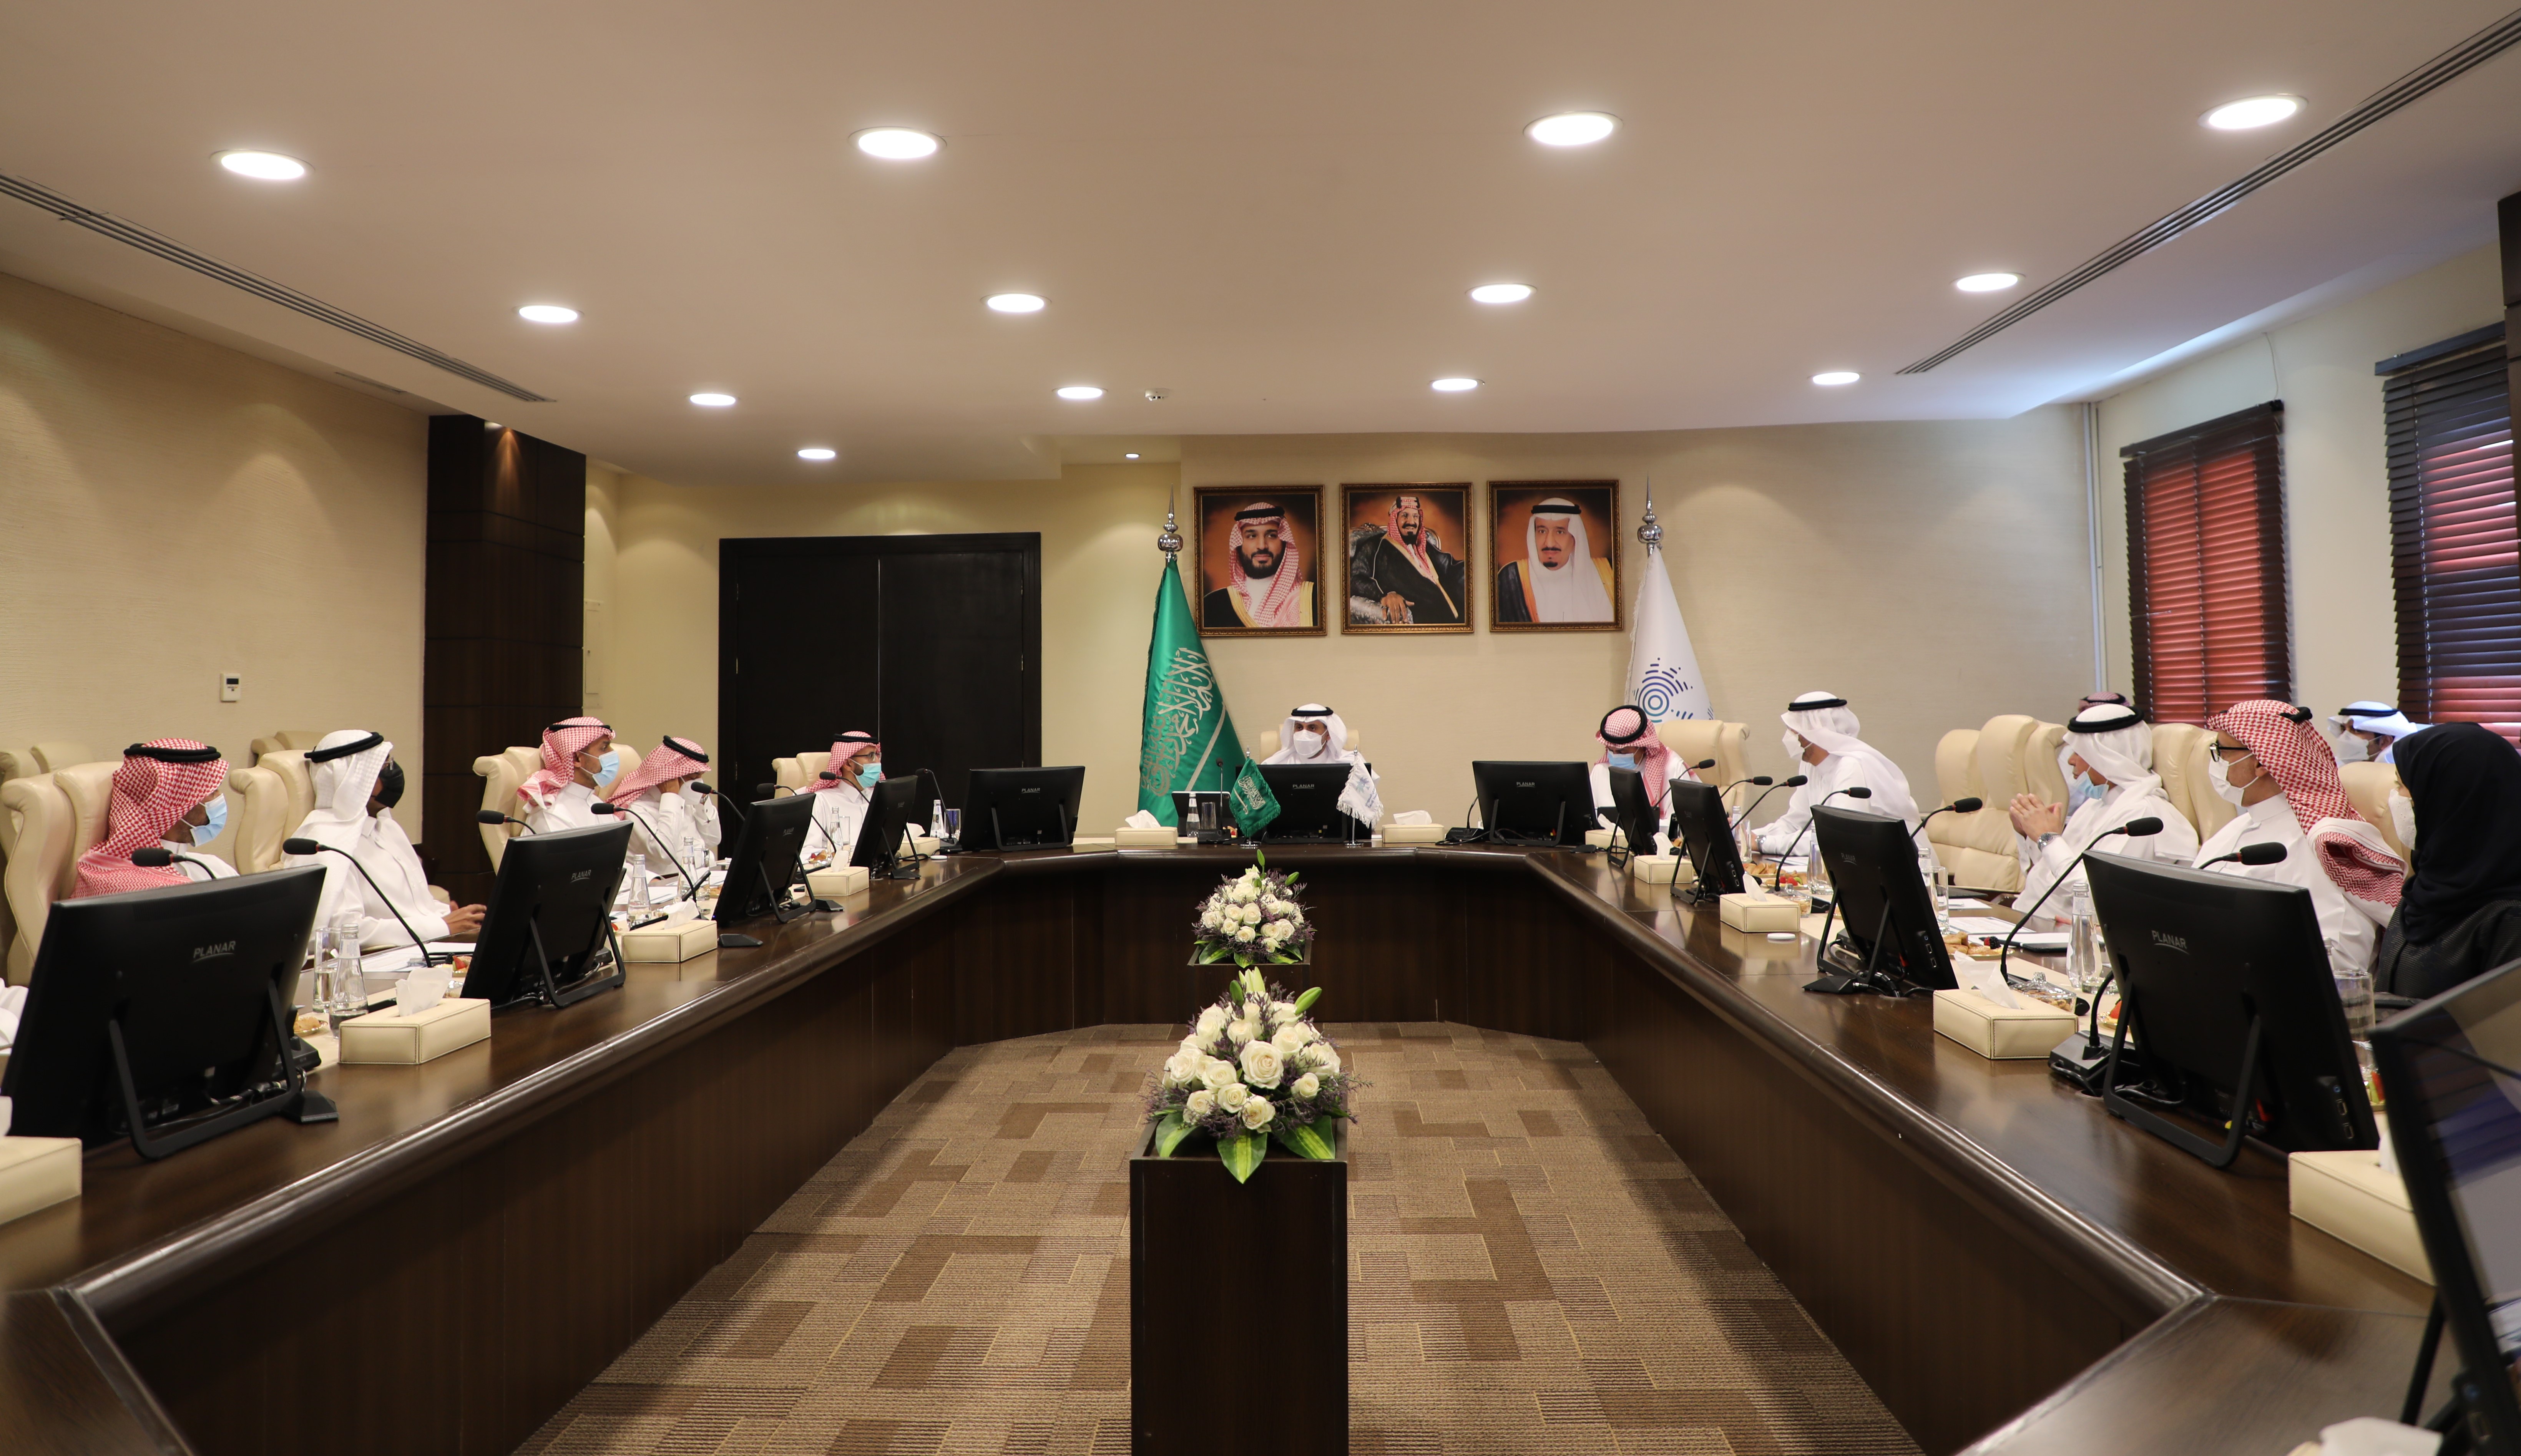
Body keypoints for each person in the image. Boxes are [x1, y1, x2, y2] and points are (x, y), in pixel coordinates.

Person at [2195, 700, 2400, 974]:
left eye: (2222, 752)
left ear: (2260, 763)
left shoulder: (2320, 845)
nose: (2216, 762)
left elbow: (2337, 964)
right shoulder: (2238, 827)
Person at [285, 730, 486, 949]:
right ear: (353, 779)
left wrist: (454, 918)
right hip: (384, 959)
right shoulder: (326, 844)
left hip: (425, 947)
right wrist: (442, 927)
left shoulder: (387, 827)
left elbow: (416, 908)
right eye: (383, 767)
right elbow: (341, 932)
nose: (395, 773)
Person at [2374, 723, 2521, 1000]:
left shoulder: (2510, 917)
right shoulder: (2425, 888)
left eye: (2401, 786)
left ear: (2448, 798)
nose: (2395, 798)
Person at [2009, 703, 2197, 910]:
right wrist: (2029, 832)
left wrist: (2048, 838)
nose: (2071, 761)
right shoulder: (2097, 805)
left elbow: (2091, 893)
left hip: (2063, 927)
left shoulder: (2141, 815)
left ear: (2108, 757)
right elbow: (2049, 875)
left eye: (2079, 753)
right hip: (2029, 917)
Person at [1755, 693, 1921, 856]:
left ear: (1814, 732)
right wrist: (1747, 837)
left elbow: (1837, 839)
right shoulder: (1810, 767)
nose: (1790, 738)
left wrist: (1762, 843)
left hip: (1902, 864)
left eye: (1794, 731)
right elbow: (1795, 822)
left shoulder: (1852, 766)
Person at [70, 739, 234, 897]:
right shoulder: (123, 886)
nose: (220, 798)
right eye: (213, 792)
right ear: (175, 804)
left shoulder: (213, 867)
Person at [603, 736, 721, 868]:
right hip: (667, 880)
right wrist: (671, 796)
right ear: (670, 777)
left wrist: (702, 800)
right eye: (693, 777)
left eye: (701, 776)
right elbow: (665, 854)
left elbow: (713, 840)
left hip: (702, 874)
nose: (698, 782)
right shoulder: (636, 810)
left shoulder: (685, 799)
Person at [1347, 494, 1465, 625]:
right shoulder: (1375, 546)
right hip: (1422, 618)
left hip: (1451, 614)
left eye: (1415, 516)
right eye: (1405, 516)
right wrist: (1385, 595)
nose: (1411, 522)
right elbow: (1356, 579)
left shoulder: (1423, 545)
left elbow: (1449, 566)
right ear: (1395, 519)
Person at [1495, 497, 1615, 624]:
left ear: (1575, 538)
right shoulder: (1511, 578)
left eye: (1560, 532)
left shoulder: (1607, 574)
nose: (1550, 543)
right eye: (1542, 531)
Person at [1260, 704, 1380, 826]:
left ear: (1328, 735)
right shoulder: (1274, 765)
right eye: (1299, 728)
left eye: (1312, 728)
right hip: (1283, 835)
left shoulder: (1352, 765)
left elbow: (1365, 810)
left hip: (1339, 834)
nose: (1304, 734)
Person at [1202, 501, 1313, 629]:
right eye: (1252, 536)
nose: (1262, 546)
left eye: (1272, 536)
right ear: (1239, 544)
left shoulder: (1312, 598)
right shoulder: (1213, 604)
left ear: (1284, 542)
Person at [1590, 705, 1689, 841]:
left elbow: (1681, 826)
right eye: (1611, 750)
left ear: (1643, 747)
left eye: (1622, 751)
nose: (1615, 756)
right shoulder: (1601, 769)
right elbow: (1591, 816)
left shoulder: (1672, 768)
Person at [518, 717, 618, 836]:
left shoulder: (599, 805)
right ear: (576, 759)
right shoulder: (552, 814)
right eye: (604, 748)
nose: (613, 753)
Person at [809, 731, 883, 860]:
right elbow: (808, 852)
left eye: (877, 755)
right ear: (848, 764)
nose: (877, 762)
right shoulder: (821, 801)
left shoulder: (878, 796)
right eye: (871, 756)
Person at [2330, 702, 2430, 764]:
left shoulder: (2403, 779)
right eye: (2343, 729)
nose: (2345, 737)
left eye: (2357, 731)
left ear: (2385, 742)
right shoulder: (2335, 769)